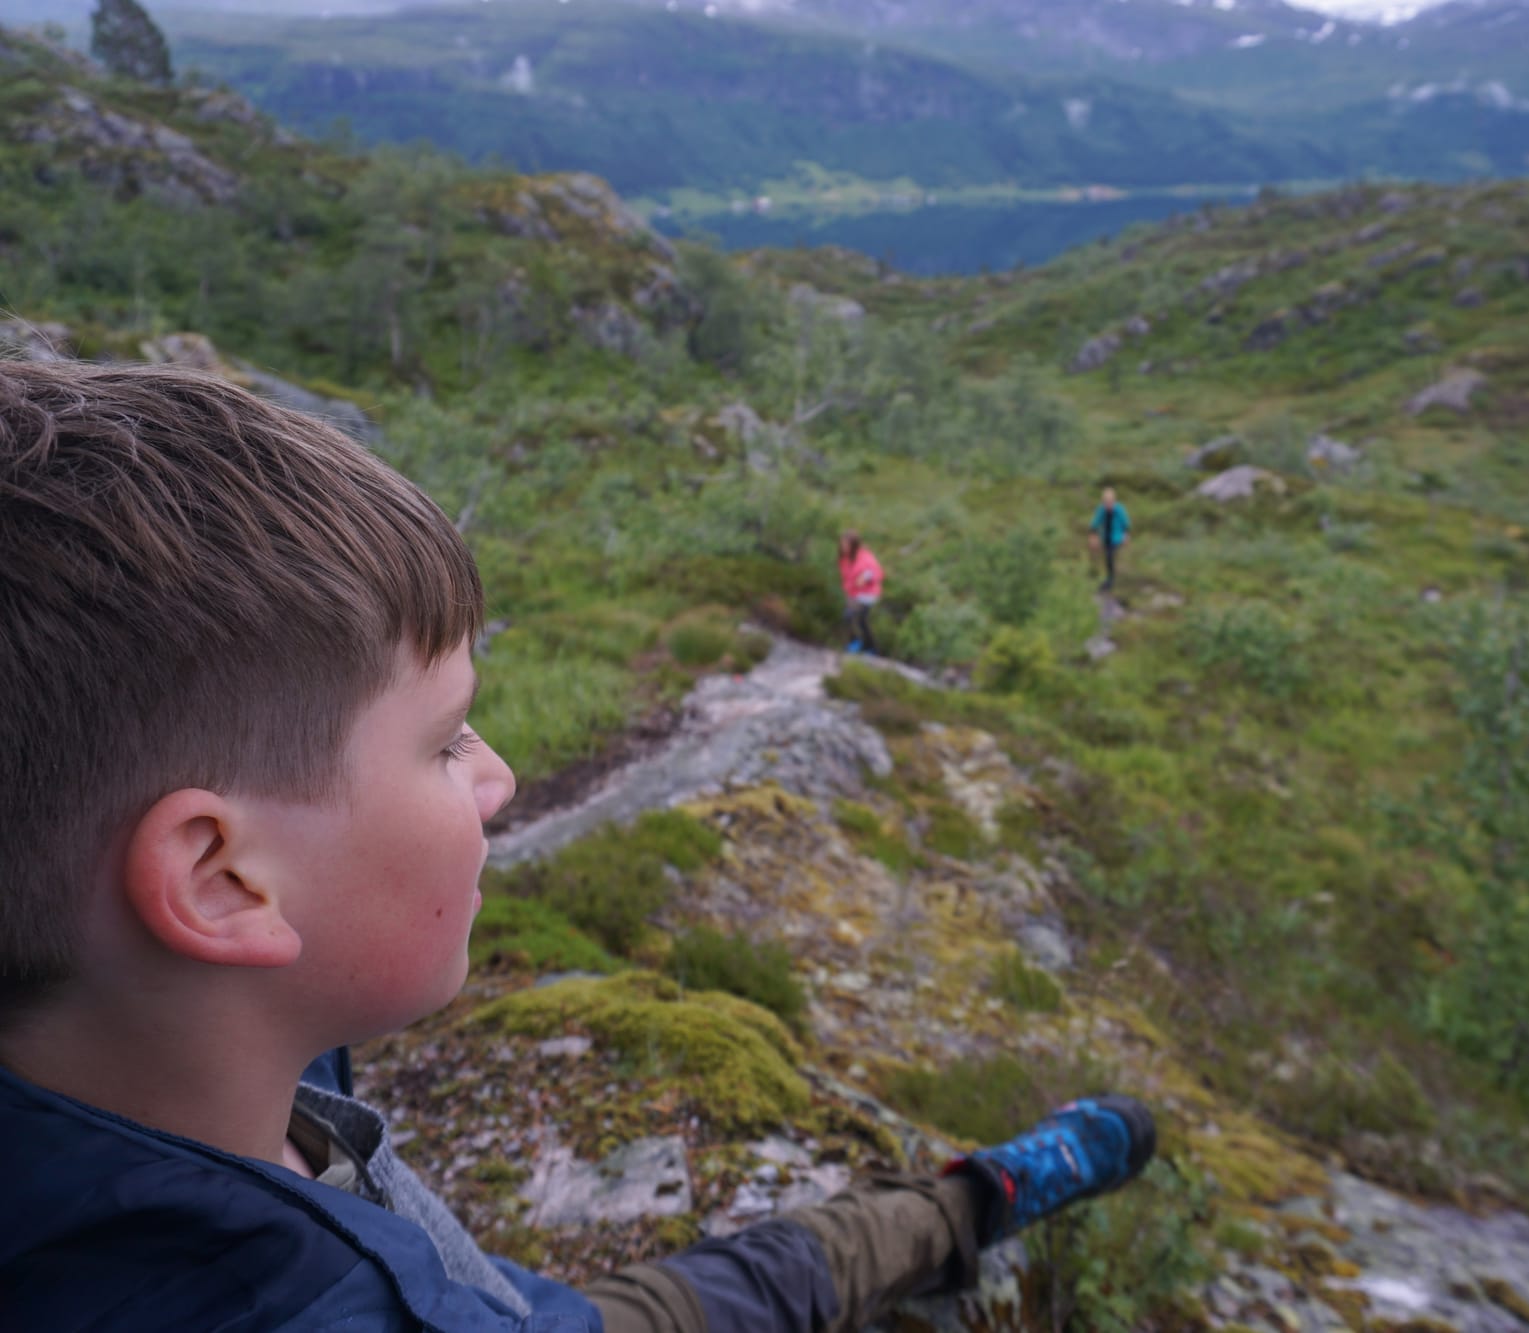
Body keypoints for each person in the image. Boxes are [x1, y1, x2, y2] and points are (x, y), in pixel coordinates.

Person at [0, 361, 1156, 1332]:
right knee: (756, 1289)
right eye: (446, 742)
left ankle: (965, 1203)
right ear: (221, 880)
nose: (499, 776)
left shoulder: (187, 1040)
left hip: (505, 1301)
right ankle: (975, 1205)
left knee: (753, 1280)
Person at [838, 529, 883, 655]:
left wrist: (865, 577)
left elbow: (877, 572)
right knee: (861, 621)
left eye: (846, 544)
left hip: (867, 594)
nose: (843, 546)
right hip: (854, 593)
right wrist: (848, 587)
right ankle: (870, 647)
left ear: (853, 545)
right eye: (842, 543)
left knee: (849, 616)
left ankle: (857, 643)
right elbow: (846, 576)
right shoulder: (844, 558)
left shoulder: (864, 556)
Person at [1089, 487, 1131, 592]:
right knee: (1107, 558)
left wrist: (1126, 535)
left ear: (1114, 500)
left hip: (1116, 538)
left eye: (1110, 502)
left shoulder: (1120, 509)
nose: (1108, 505)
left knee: (1110, 556)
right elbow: (1095, 523)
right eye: (1106, 502)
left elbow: (1126, 523)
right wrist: (1093, 537)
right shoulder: (1101, 510)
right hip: (1106, 538)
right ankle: (1109, 577)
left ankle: (1111, 580)